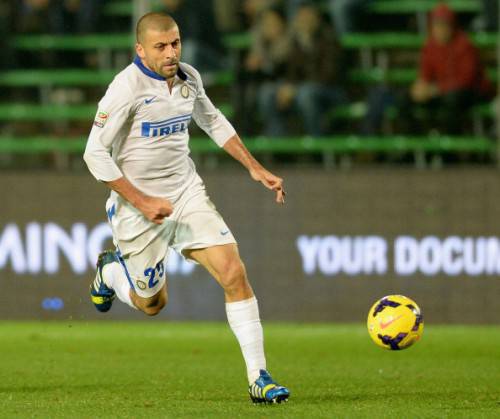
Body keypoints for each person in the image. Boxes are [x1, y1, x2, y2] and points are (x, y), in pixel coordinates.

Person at [83, 12, 290, 404]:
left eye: (175, 43)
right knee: (152, 304)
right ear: (140, 49)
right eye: (160, 46)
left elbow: (212, 120)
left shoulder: (188, 78)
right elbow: (93, 153)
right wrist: (141, 201)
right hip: (137, 209)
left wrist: (255, 167)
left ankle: (259, 378)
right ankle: (110, 273)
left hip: (186, 194)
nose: (171, 52)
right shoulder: (124, 89)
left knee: (233, 271)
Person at [258, 3, 345, 137]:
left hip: (332, 91)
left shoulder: (329, 40)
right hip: (302, 90)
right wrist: (287, 87)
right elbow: (291, 72)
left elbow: (328, 76)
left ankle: (317, 141)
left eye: (308, 17)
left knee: (306, 94)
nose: (304, 21)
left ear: (316, 19)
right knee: (268, 92)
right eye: (301, 18)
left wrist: (295, 88)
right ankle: (278, 140)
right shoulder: (296, 43)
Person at [406, 3, 494, 134]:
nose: (440, 29)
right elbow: (425, 74)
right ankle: (418, 141)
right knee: (407, 99)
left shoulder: (464, 44)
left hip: (472, 93)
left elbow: (466, 81)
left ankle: (445, 146)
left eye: (443, 24)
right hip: (444, 93)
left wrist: (436, 89)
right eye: (436, 25)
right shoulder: (430, 45)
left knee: (452, 100)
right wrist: (421, 85)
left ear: (451, 25)